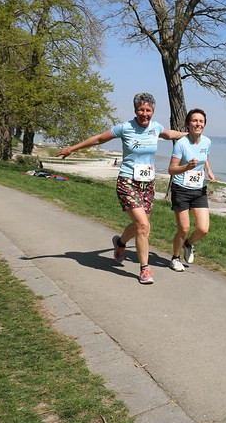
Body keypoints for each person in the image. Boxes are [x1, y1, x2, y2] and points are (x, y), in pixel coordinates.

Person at [57, 93, 185, 285]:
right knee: (143, 226)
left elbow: (169, 134)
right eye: (141, 109)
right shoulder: (125, 127)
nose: (145, 113)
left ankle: (120, 243)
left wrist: (191, 134)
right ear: (135, 110)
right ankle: (145, 269)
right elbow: (100, 139)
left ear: (153, 112)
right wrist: (72, 149)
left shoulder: (155, 128)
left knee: (140, 225)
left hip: (148, 183)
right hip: (127, 181)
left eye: (148, 110)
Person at [166, 108, 216, 272]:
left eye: (201, 121)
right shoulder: (181, 144)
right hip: (181, 189)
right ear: (188, 124)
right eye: (194, 121)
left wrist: (208, 170)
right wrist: (187, 167)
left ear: (205, 124)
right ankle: (175, 258)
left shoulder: (207, 142)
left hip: (199, 190)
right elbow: (171, 169)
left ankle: (188, 244)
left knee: (203, 229)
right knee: (184, 228)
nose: (198, 124)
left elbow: (205, 158)